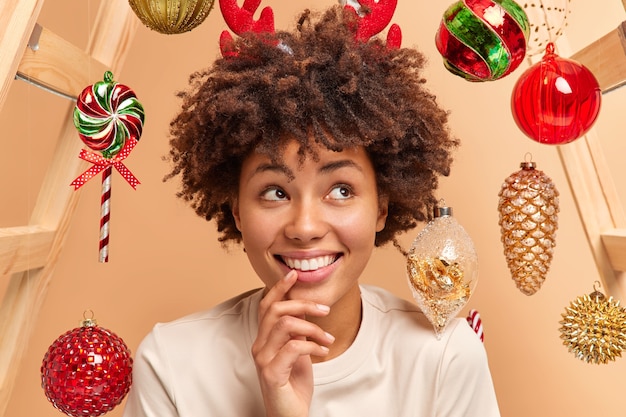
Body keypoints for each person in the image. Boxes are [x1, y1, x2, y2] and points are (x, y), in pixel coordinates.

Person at [122, 4, 500, 417]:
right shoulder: (171, 364)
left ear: (381, 208)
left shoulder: (445, 357)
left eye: (340, 190)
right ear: (236, 212)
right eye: (274, 192)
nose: (304, 227)